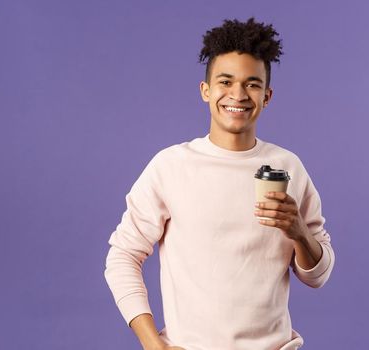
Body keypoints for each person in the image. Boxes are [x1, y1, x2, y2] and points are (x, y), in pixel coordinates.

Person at [104, 17, 335, 350]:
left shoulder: (288, 169)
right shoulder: (172, 166)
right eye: (226, 81)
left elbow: (318, 276)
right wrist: (153, 343)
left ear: (267, 96)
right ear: (206, 90)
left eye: (252, 84)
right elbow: (122, 255)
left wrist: (299, 230)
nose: (238, 94)